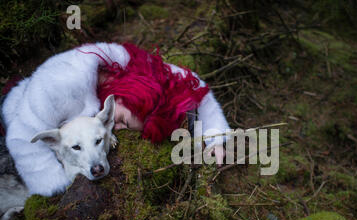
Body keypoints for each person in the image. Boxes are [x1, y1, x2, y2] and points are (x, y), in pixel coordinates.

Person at [1, 42, 230, 196]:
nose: (118, 129)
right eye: (122, 121)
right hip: (12, 112)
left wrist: (214, 138)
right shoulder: (60, 90)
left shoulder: (140, 73)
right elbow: (20, 139)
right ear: (123, 96)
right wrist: (56, 185)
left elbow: (194, 85)